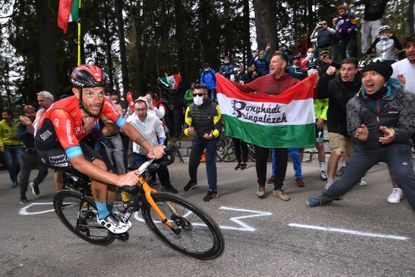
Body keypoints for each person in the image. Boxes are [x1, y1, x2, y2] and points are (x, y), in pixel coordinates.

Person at [35, 64, 164, 234]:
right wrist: (120, 179)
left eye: (100, 92)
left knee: (107, 174)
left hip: (72, 140)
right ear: (76, 92)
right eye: (89, 93)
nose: (97, 99)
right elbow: (78, 162)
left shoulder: (102, 103)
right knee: (102, 172)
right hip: (51, 148)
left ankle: (106, 209)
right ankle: (103, 215)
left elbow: (125, 127)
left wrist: (150, 147)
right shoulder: (62, 112)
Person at [307, 61, 415, 211]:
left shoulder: (405, 97)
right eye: (364, 75)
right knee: (346, 181)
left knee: (405, 176)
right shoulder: (355, 102)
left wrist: (394, 133)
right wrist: (360, 136)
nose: (367, 78)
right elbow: (352, 130)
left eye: (374, 74)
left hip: (396, 146)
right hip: (367, 148)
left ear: (385, 79)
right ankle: (325, 198)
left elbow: (408, 128)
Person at [234, 53, 299, 201]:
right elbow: (244, 89)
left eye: (275, 61)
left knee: (282, 160)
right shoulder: (262, 80)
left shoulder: (293, 82)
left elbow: (307, 94)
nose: (271, 64)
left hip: (282, 129)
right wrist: (225, 82)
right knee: (261, 158)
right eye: (270, 62)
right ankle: (261, 186)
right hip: (262, 128)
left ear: (283, 64)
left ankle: (278, 188)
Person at [317, 57, 362, 188]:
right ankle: (330, 182)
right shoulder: (333, 82)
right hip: (335, 123)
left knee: (352, 155)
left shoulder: (361, 84)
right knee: (337, 151)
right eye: (343, 69)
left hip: (353, 124)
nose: (345, 72)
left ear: (356, 71)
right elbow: (320, 93)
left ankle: (353, 177)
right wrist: (326, 76)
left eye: (349, 69)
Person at [127, 99, 178, 193]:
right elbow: (123, 130)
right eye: (138, 109)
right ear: (134, 109)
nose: (141, 112)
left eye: (143, 109)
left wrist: (161, 145)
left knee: (162, 168)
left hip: (154, 149)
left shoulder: (154, 118)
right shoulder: (130, 120)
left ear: (146, 108)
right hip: (139, 152)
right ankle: (142, 193)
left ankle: (167, 186)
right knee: (140, 173)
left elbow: (161, 132)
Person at [387, 36, 415, 203]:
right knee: (397, 153)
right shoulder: (395, 67)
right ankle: (397, 189)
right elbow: (387, 95)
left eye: (414, 46)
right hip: (400, 119)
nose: (411, 50)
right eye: (408, 46)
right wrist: (400, 87)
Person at [183, 84, 222, 202]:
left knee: (210, 161)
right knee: (193, 162)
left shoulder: (215, 107)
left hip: (211, 137)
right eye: (195, 95)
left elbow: (218, 127)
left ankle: (213, 190)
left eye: (200, 94)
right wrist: (188, 131)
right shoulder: (190, 108)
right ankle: (193, 180)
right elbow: (186, 126)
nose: (197, 97)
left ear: (206, 94)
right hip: (198, 137)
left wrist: (213, 135)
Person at [16, 105, 48, 204]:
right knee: (24, 176)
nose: (30, 114)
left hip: (39, 152)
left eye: (32, 112)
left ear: (35, 113)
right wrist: (29, 128)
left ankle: (35, 183)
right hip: (27, 154)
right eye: (28, 113)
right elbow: (18, 136)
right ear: (25, 114)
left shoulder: (40, 121)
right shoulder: (22, 124)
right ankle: (22, 196)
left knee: (44, 171)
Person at [0, 110, 24, 188]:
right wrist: (1, 146)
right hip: (6, 146)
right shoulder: (1, 124)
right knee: (10, 164)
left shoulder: (18, 122)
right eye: (2, 115)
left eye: (4, 115)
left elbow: (22, 131)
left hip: (18, 145)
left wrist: (18, 136)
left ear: (10, 115)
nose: (3, 116)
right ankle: (14, 180)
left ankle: (14, 175)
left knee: (20, 162)